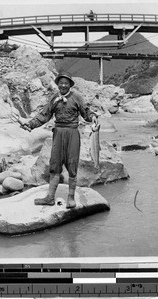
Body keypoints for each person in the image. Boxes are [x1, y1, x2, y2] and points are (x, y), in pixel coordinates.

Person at [22, 71, 98, 209]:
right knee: (55, 163)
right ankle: (50, 197)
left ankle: (70, 198)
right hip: (58, 132)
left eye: (66, 83)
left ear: (70, 85)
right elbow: (44, 115)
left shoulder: (77, 97)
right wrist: (30, 124)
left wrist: (92, 117)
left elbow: (85, 112)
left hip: (72, 133)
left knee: (72, 163)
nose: (63, 85)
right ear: (58, 84)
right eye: (61, 83)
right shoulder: (54, 98)